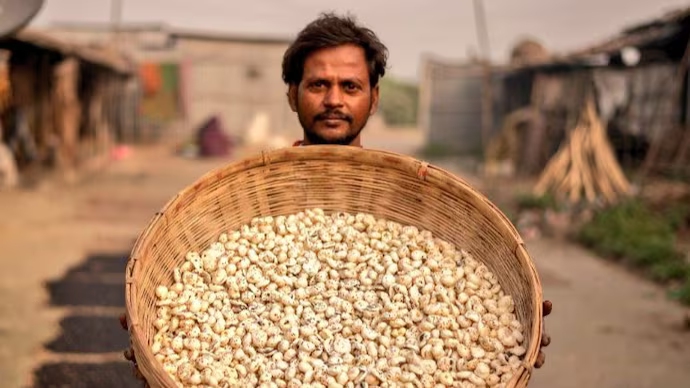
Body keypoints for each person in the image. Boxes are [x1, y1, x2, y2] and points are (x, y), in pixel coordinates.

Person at [119, 11, 553, 383]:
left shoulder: (415, 204)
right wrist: (149, 343)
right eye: (317, 85)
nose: (333, 100)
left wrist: (511, 332)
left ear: (374, 97)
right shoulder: (247, 206)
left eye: (350, 86)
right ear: (292, 94)